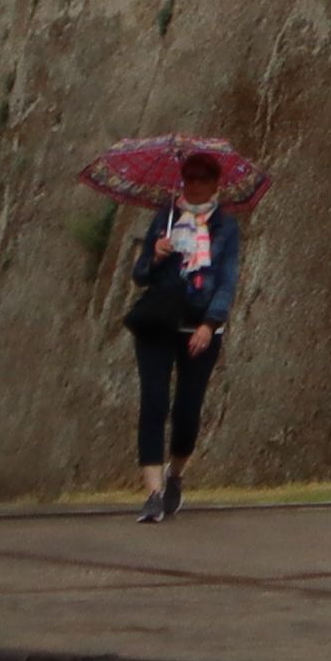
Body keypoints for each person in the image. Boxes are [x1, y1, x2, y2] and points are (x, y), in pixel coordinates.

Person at [122, 154, 243, 520]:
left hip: (199, 324)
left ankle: (175, 474)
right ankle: (153, 493)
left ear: (215, 184)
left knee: (187, 412)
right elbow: (140, 275)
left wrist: (210, 324)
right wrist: (156, 256)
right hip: (159, 322)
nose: (195, 186)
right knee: (154, 403)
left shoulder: (226, 227)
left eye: (203, 179)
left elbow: (227, 280)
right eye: (189, 179)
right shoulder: (166, 217)